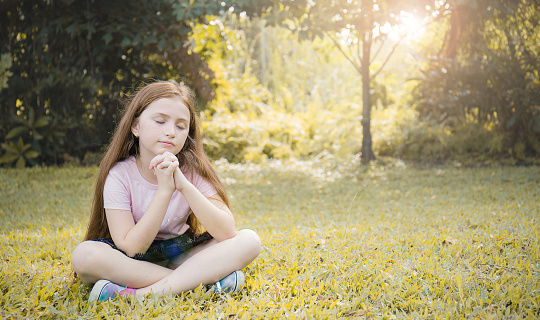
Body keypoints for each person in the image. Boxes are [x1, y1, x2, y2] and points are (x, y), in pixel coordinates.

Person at [71, 80, 262, 302]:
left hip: (181, 253)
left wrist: (183, 185)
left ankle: (138, 296)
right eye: (160, 121)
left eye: (181, 126)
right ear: (136, 127)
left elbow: (227, 232)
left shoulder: (192, 171)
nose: (171, 132)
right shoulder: (119, 175)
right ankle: (202, 283)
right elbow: (133, 248)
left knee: (250, 240)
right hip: (135, 262)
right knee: (84, 256)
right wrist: (164, 191)